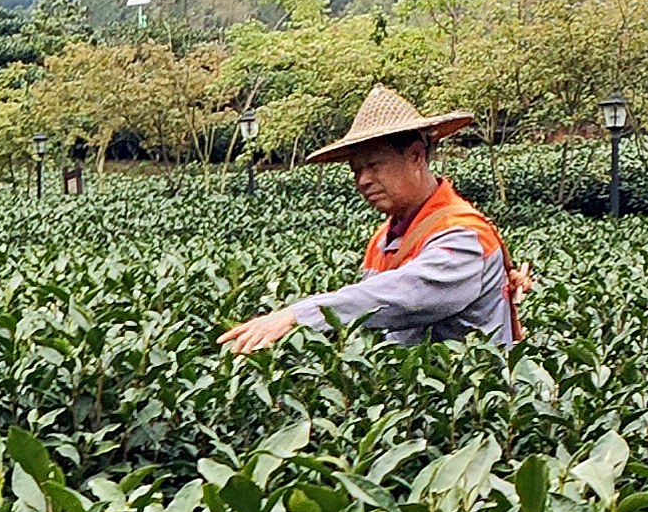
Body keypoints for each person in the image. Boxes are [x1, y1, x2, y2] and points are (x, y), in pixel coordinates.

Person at [219, 85, 526, 351]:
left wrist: (299, 315)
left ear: (416, 156)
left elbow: (406, 295)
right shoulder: (384, 238)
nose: (363, 180)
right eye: (356, 170)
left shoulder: (463, 235)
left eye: (375, 165)